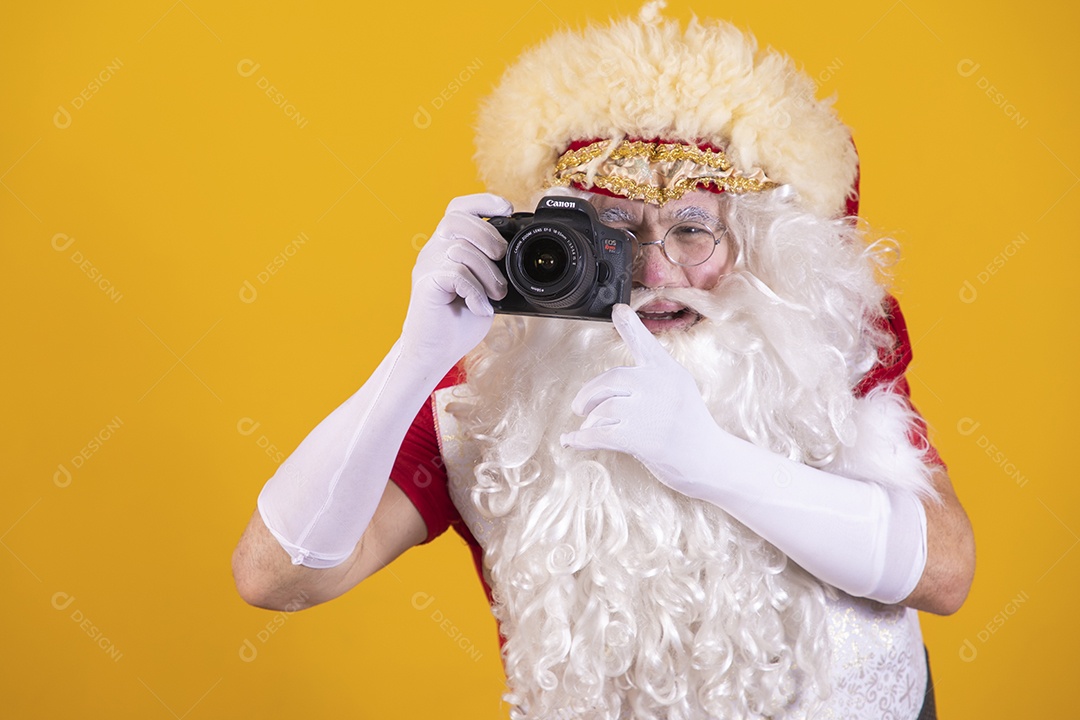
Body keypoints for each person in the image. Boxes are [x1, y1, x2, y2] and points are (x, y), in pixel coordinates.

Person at [232, 4, 975, 718]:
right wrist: (413, 359)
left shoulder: (816, 358)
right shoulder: (500, 396)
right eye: (613, 232)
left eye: (692, 229)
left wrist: (711, 462)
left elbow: (943, 573)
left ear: (757, 242)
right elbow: (278, 575)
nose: (654, 274)